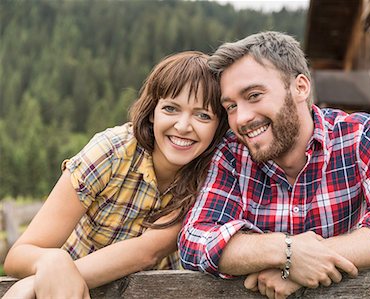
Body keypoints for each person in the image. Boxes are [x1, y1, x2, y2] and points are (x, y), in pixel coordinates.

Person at [178, 31, 370, 299]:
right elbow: (195, 240)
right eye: (231, 106)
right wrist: (285, 251)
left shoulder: (360, 135)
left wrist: (304, 262)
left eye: (254, 95)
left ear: (300, 87)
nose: (242, 118)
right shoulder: (232, 153)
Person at [3, 51, 228, 299]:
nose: (184, 126)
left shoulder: (213, 177)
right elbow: (19, 255)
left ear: (218, 126)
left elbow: (147, 251)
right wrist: (52, 263)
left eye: (203, 115)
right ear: (153, 112)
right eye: (171, 108)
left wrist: (34, 284)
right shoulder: (111, 151)